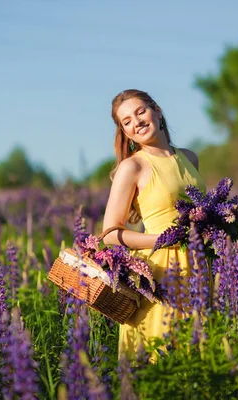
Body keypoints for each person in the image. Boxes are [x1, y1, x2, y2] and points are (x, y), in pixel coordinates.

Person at [102, 89, 206, 360]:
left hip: (199, 264)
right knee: (161, 356)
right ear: (125, 132)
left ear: (157, 111)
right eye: (126, 121)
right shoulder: (132, 167)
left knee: (200, 355)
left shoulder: (189, 157)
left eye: (140, 112)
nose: (136, 122)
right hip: (160, 273)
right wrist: (161, 239)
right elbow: (110, 234)